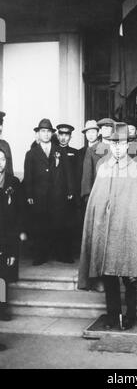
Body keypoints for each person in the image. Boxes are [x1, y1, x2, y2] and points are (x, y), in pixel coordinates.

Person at [78, 123, 137, 330]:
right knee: (109, 277)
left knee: (130, 276)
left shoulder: (136, 169)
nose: (117, 148)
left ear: (128, 145)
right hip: (106, 233)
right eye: (113, 144)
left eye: (121, 144)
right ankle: (113, 316)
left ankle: (130, 315)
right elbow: (96, 200)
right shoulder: (103, 168)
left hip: (129, 232)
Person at [23, 119, 74, 265]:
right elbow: (28, 177)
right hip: (39, 197)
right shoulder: (31, 153)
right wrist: (29, 195)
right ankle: (41, 256)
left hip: (57, 195)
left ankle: (62, 255)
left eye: (48, 131)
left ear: (52, 134)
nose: (46, 134)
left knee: (59, 225)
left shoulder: (60, 151)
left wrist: (70, 189)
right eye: (43, 131)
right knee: (40, 226)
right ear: (38, 134)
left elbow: (68, 172)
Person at [0, 149, 26, 321]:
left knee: (2, 278)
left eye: (2, 159)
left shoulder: (13, 182)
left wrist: (19, 234)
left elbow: (20, 212)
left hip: (7, 236)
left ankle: (2, 309)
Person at [56, 123, 79, 262]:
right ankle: (58, 253)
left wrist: (73, 192)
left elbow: (77, 174)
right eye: (61, 134)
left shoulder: (75, 153)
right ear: (58, 135)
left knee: (69, 225)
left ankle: (67, 253)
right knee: (57, 224)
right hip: (56, 195)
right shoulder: (53, 151)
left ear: (70, 136)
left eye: (67, 135)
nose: (64, 138)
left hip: (70, 196)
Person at [80, 117, 114, 201]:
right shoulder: (91, 150)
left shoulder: (118, 149)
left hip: (114, 192)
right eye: (104, 128)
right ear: (100, 131)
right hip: (98, 194)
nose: (106, 130)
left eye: (109, 127)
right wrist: (87, 196)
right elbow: (87, 176)